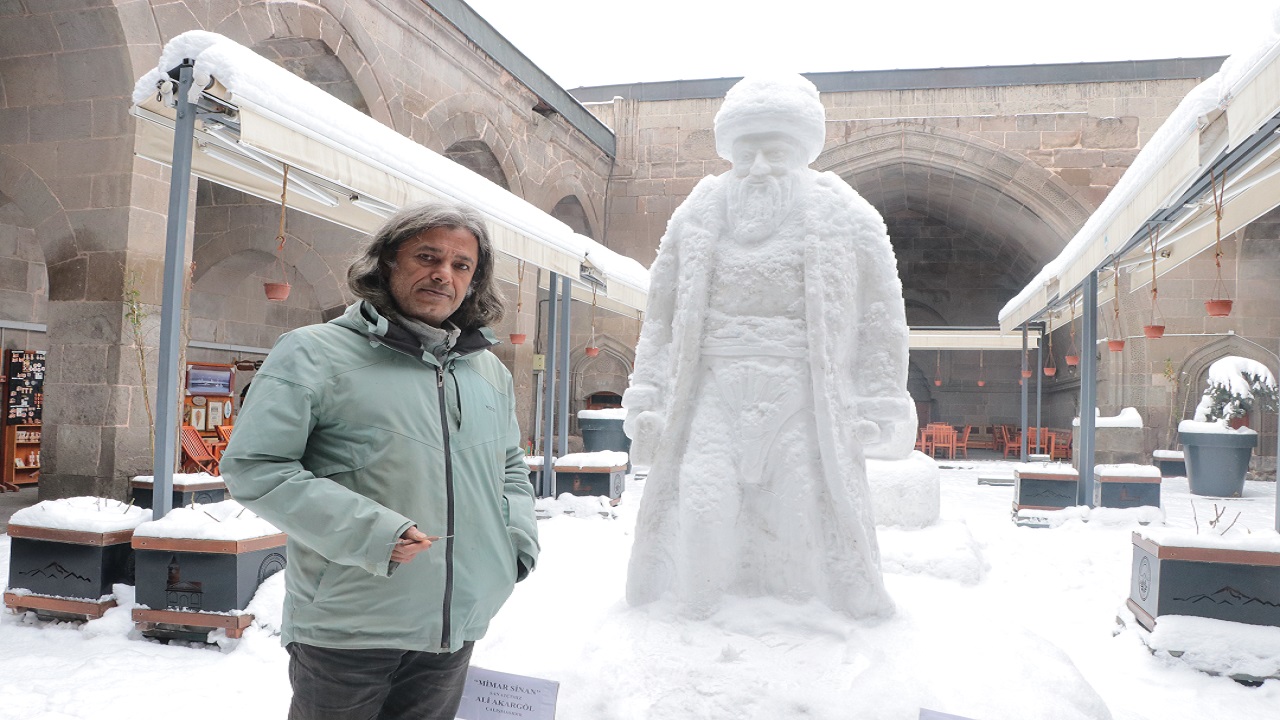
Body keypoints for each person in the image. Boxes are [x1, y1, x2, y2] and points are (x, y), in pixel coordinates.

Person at [221, 201, 539, 720]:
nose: (444, 274)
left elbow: (509, 466)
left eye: (462, 265)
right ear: (387, 263)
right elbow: (257, 467)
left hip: (453, 626)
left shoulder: (489, 373)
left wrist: (516, 545)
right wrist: (374, 533)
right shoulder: (311, 353)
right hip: (349, 627)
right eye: (427, 257)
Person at [622, 74, 915, 619]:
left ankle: (800, 625)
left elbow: (880, 317)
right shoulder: (698, 214)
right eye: (746, 152)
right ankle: (694, 618)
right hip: (712, 389)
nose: (757, 167)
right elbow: (661, 316)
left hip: (802, 394)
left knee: (800, 511)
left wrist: (878, 399)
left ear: (800, 152)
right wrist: (649, 392)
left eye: (773, 152)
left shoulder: (845, 215)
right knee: (703, 505)